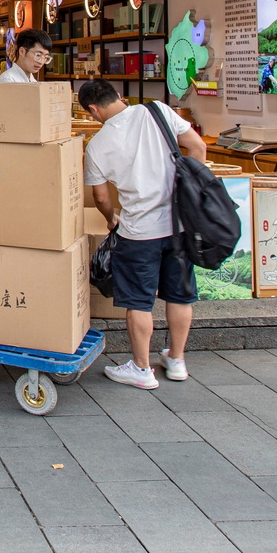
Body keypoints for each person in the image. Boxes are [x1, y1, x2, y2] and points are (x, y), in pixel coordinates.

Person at [79, 79, 208, 390]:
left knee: (139, 301)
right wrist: (189, 193)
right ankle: (176, 360)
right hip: (178, 224)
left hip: (138, 231)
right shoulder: (157, 111)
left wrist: (111, 219)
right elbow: (198, 147)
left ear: (93, 110)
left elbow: (101, 197)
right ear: (119, 96)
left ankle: (141, 368)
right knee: (179, 295)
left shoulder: (97, 145)